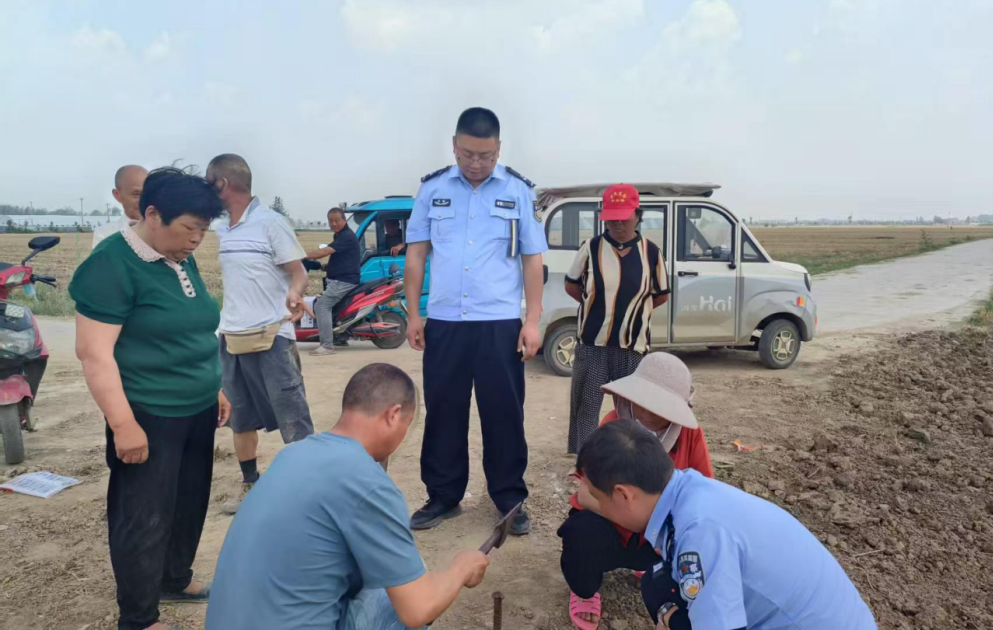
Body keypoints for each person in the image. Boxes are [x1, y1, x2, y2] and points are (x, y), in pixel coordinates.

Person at [206, 364, 490, 630]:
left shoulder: (293, 454)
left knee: (384, 570)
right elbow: (418, 608)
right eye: (407, 424)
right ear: (393, 415)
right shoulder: (368, 482)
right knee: (407, 585)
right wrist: (461, 569)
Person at [71, 167, 229, 630]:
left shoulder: (178, 256)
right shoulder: (111, 264)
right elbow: (94, 354)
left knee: (188, 503)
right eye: (190, 228)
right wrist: (123, 424)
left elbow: (190, 329)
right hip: (149, 412)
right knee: (143, 516)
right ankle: (139, 618)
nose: (196, 239)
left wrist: (214, 387)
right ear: (153, 214)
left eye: (204, 230)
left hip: (197, 407)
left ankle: (174, 578)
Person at [576, 420, 878, 630]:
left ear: (623, 495)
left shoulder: (701, 533)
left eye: (598, 499)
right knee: (659, 584)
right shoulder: (690, 492)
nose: (599, 507)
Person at [404, 107, 547, 535]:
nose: (476, 163)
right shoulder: (432, 190)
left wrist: (532, 320)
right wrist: (413, 314)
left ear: (499, 149)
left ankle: (509, 499)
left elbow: (532, 259)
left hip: (499, 323)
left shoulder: (518, 191)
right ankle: (443, 496)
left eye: (485, 155)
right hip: (445, 322)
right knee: (443, 411)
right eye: (467, 154)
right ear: (454, 146)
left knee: (503, 413)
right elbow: (416, 254)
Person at [559, 352, 713, 630]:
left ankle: (656, 573)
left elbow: (705, 493)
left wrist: (659, 527)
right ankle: (585, 591)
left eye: (660, 406)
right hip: (611, 532)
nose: (649, 413)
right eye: (645, 402)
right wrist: (630, 515)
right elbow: (585, 494)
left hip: (658, 540)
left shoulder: (690, 433)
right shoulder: (612, 426)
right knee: (579, 530)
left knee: (699, 541)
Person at [207, 154, 315, 514]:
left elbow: (298, 272)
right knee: (239, 417)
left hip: (272, 335)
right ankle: (250, 484)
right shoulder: (221, 228)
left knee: (293, 416)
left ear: (223, 184)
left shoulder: (271, 223)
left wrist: (295, 292)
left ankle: (308, 491)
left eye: (209, 183)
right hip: (232, 336)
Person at [565, 184, 669, 455]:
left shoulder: (651, 252)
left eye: (624, 217)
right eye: (612, 218)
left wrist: (632, 312)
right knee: (587, 407)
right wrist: (597, 308)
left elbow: (660, 295)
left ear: (637, 215)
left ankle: (629, 458)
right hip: (593, 344)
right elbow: (572, 286)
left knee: (632, 410)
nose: (618, 223)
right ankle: (586, 459)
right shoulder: (590, 248)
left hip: (632, 346)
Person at [304, 207, 361, 356]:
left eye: (337, 220)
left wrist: (300, 255)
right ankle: (340, 337)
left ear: (344, 220)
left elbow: (325, 251)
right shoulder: (339, 235)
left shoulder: (346, 236)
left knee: (321, 306)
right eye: (331, 221)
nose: (334, 223)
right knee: (333, 309)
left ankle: (327, 346)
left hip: (344, 281)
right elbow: (342, 257)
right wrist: (325, 267)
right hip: (340, 279)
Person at [93, 165, 148, 248]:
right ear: (117, 195)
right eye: (136, 194)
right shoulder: (105, 233)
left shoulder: (163, 231)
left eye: (148, 193)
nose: (144, 201)